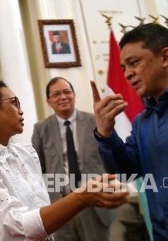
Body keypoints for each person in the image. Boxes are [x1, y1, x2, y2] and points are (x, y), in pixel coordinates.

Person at [0, 81, 129, 241]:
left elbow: (40, 206)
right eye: (14, 103)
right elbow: (9, 229)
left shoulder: (25, 153)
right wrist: (81, 198)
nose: (21, 110)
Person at [90, 23, 168, 240]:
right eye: (123, 68)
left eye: (134, 63)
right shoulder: (142, 122)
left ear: (165, 57)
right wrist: (105, 134)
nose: (128, 74)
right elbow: (125, 172)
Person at [32, 77, 114, 241]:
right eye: (56, 94)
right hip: (60, 205)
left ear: (74, 95)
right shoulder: (41, 129)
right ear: (49, 101)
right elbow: (36, 168)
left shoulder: (95, 121)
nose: (62, 97)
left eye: (67, 92)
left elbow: (110, 157)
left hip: (94, 201)